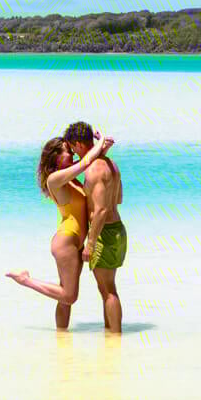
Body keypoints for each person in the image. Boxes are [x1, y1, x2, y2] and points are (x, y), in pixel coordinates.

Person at [6, 132, 113, 331]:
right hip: (66, 242)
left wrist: (103, 148)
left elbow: (89, 165)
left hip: (75, 241)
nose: (72, 155)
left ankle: (61, 338)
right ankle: (24, 279)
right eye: (68, 152)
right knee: (69, 295)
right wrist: (99, 143)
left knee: (64, 299)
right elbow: (84, 164)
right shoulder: (55, 179)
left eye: (72, 151)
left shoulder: (72, 180)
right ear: (55, 157)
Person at [63, 119, 126, 335]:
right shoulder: (111, 165)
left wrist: (90, 243)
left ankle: (116, 340)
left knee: (107, 290)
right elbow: (118, 199)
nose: (73, 153)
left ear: (79, 145)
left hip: (104, 233)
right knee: (107, 288)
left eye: (72, 148)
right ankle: (111, 338)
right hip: (117, 229)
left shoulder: (93, 172)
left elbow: (101, 210)